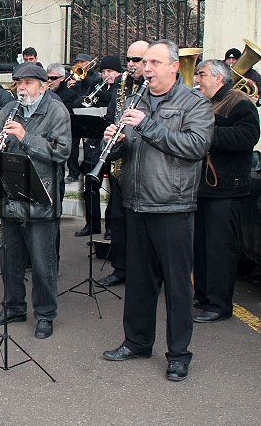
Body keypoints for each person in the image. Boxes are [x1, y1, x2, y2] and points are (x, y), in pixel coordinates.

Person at [101, 40, 213, 382]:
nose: (145, 68)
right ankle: (136, 342)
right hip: (135, 203)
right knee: (138, 282)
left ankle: (178, 354)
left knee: (178, 287)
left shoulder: (194, 103)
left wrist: (147, 125)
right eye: (144, 63)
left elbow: (196, 146)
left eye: (154, 62)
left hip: (172, 205)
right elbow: (130, 150)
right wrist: (116, 142)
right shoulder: (137, 99)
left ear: (174, 67)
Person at [0, 64, 71, 339]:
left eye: (29, 83)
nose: (22, 88)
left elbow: (61, 152)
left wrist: (24, 137)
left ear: (43, 86)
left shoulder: (56, 111)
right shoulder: (9, 110)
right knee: (9, 259)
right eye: (19, 82)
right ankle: (13, 307)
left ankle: (45, 314)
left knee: (43, 264)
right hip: (10, 193)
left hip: (39, 197)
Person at [192, 59, 259, 323]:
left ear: (219, 78)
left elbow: (247, 137)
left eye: (202, 74)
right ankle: (204, 295)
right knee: (202, 247)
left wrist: (208, 133)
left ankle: (220, 304)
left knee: (221, 248)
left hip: (227, 189)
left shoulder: (239, 102)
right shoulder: (204, 102)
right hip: (205, 188)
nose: (197, 80)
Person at [98, 40, 149, 286]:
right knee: (118, 219)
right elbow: (112, 115)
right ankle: (120, 268)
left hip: (147, 166)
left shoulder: (156, 88)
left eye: (136, 60)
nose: (130, 64)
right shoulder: (123, 86)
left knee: (143, 227)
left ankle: (148, 274)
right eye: (129, 59)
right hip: (122, 163)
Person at [75, 55, 120, 238]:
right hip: (94, 143)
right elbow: (78, 103)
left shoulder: (120, 89)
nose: (106, 75)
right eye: (104, 72)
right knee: (91, 187)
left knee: (114, 190)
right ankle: (92, 224)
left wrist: (105, 97)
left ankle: (110, 226)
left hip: (114, 144)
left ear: (118, 72)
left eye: (110, 72)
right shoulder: (96, 86)